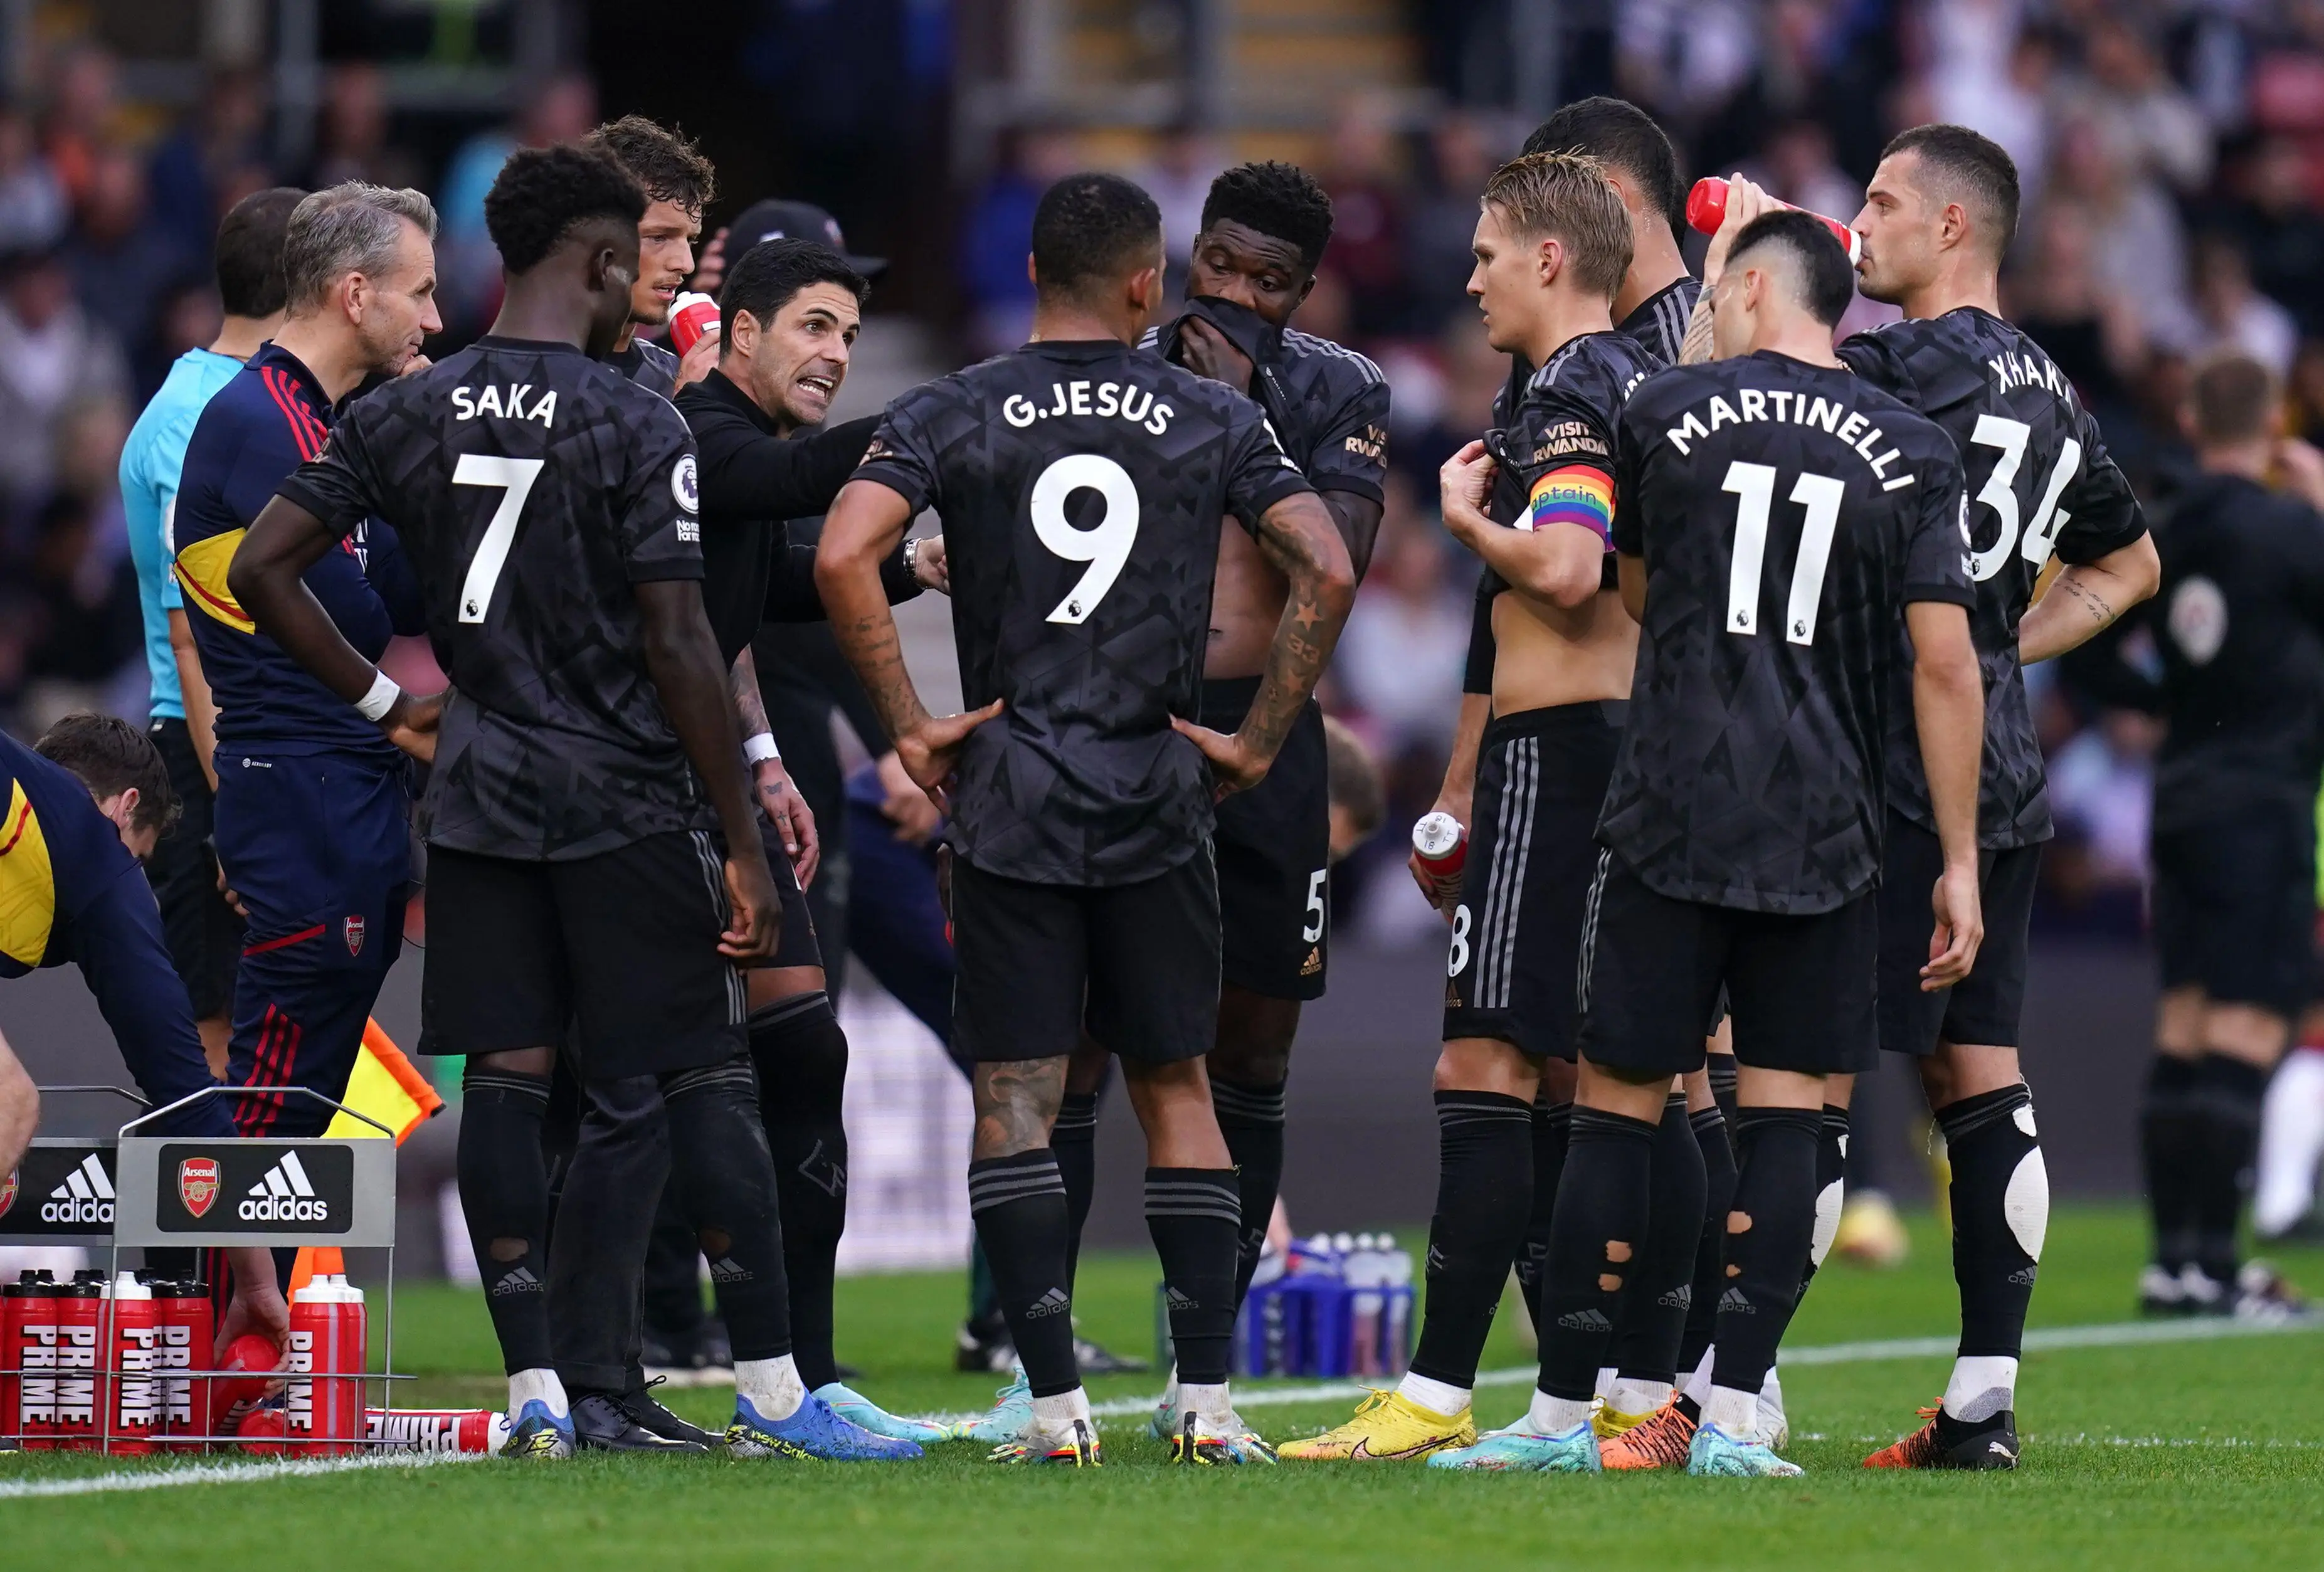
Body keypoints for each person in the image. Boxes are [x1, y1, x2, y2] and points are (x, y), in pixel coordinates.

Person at [228, 143, 908, 1466]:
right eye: (632, 269)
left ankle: (544, 1383)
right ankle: (773, 1384)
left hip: (477, 791)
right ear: (599, 265)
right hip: (622, 793)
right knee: (695, 1069)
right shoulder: (633, 418)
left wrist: (386, 705)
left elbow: (264, 565)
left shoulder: (405, 409)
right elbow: (677, 640)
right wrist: (742, 838)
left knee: (512, 1080)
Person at [816, 171, 1355, 1465]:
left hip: (1010, 791)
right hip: (1156, 786)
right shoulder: (1206, 411)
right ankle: (1206, 1404)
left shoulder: (956, 402)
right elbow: (1326, 565)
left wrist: (909, 723)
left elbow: (843, 552)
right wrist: (1260, 739)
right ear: (1140, 285)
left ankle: (1050, 1405)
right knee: (1179, 1084)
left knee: (1016, 1091)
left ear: (1031, 278)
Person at [1458, 208, 1985, 1479]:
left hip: (1668, 803)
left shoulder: (1660, 412)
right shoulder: (1912, 450)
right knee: (1791, 1113)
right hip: (1826, 818)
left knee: (1617, 1108)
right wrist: (1958, 856)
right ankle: (1734, 1408)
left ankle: (1553, 1415)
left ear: (1747, 287)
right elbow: (1940, 660)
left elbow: (1626, 588)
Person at [1290, 152, 1664, 1465]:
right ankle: (1599, 1392)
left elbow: (1557, 567)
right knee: (1583, 1070)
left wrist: (1462, 517)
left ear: (1550, 262)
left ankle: (1439, 1389)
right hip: (1604, 748)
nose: (1469, 275)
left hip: (1559, 756)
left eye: (1490, 252)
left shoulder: (1568, 387)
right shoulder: (1620, 384)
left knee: (1483, 1059)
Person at [1821, 125, 2157, 1471]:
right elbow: (2125, 562)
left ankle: (1723, 1394)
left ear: (1952, 227)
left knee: (1776, 1060)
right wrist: (2007, 646)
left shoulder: (1897, 364)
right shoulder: (2055, 391)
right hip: (2000, 765)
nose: (1861, 223)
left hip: (1884, 758)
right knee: (1978, 1070)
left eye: (1882, 201)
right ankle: (1980, 1400)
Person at [1070, 159, 1388, 1435]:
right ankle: (1043, 1368)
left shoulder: (1334, 388)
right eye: (1224, 269)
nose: (1241, 297)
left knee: (1251, 1049)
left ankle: (1200, 1371)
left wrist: (1241, 416)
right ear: (1189, 255)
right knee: (1076, 1041)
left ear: (1304, 288)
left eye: (1271, 281)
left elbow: (1341, 563)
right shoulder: (1102, 366)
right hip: (1116, 735)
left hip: (1264, 744)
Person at [673, 233, 948, 1445]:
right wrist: (940, 429)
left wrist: (906, 567)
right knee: (626, 1096)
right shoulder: (694, 430)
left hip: (711, 787)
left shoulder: (733, 444)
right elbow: (778, 497)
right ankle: (579, 1375)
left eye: (847, 332)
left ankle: (802, 1378)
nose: (837, 353)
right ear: (739, 331)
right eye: (815, 328)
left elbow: (767, 576)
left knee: (799, 1058)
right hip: (631, 794)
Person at [170, 182, 436, 1153]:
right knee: (273, 1101)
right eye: (420, 292)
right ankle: (206, 1305)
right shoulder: (260, 418)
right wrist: (398, 704)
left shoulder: (333, 420)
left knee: (301, 1103)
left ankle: (249, 1303)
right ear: (356, 294)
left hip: (337, 785)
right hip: (297, 788)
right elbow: (362, 618)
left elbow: (403, 597)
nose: (435, 320)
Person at [2079, 353, 2324, 1324]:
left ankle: (2171, 1262)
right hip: (2261, 802)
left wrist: (2163, 699)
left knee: (2181, 1027)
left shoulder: (2162, 528)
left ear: (2187, 417)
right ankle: (2215, 1266)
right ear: (2272, 424)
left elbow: (2093, 645)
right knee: (2248, 1025)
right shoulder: (2289, 530)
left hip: (2176, 804)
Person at [0, 713, 289, 1353]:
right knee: (9, 1107)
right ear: (125, 808)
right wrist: (260, 1281)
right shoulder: (95, 848)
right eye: (143, 854)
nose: (137, 880)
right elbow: (189, 1100)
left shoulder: (23, 822)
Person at [118, 185, 302, 1075]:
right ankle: (217, 1222)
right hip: (209, 754)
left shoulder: (277, 395)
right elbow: (195, 635)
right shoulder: (197, 417)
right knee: (215, 1046)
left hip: (266, 744)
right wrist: (237, 805)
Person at [583, 115, 721, 399]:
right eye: (659, 237)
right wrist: (687, 414)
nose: (685, 264)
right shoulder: (512, 379)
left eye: (690, 240)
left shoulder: (680, 377)